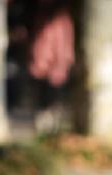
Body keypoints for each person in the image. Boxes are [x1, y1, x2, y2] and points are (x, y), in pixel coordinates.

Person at [29, 0, 75, 134]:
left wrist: (62, 64)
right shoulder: (40, 19)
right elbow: (38, 46)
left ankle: (52, 129)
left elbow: (64, 47)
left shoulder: (62, 20)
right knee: (41, 100)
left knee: (53, 100)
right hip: (41, 67)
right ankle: (44, 128)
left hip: (56, 68)